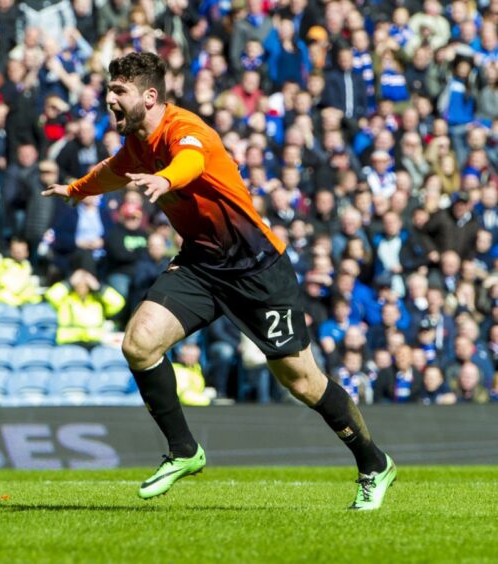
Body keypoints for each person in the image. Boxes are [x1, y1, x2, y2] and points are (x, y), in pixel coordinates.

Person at [42, 52, 396, 508]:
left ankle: (373, 462)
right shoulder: (137, 142)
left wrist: (165, 181)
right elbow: (111, 171)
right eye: (109, 89)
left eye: (118, 91)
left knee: (302, 381)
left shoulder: (186, 129)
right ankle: (184, 450)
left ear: (149, 97)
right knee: (139, 343)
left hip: (257, 268)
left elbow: (189, 160)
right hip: (201, 265)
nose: (108, 98)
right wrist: (75, 190)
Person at [44, 268, 125, 349]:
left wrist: (99, 287)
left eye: (85, 282)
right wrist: (69, 283)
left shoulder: (98, 300)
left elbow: (118, 302)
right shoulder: (66, 299)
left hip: (94, 341)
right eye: (79, 281)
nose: (82, 284)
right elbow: (51, 295)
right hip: (69, 341)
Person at [0, 237, 41, 307]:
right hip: (5, 304)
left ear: (27, 253)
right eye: (16, 251)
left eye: (22, 251)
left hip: (23, 305)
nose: (19, 253)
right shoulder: (3, 266)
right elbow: (10, 288)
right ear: (11, 252)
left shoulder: (27, 267)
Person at [172, 342, 211, 406]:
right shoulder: (177, 370)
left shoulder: (197, 368)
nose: (192, 358)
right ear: (181, 356)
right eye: (189, 356)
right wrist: (207, 400)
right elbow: (184, 396)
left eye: (195, 356)